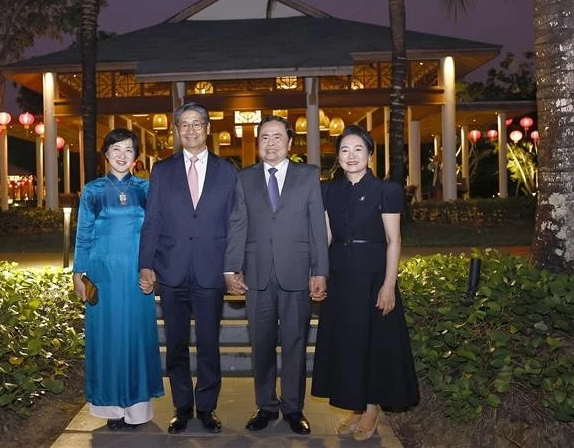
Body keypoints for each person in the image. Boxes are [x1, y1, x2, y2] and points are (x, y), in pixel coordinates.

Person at [311, 124, 419, 441]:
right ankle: (355, 406)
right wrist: (318, 271)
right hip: (340, 276)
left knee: (372, 344)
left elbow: (393, 239)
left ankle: (371, 409)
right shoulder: (328, 190)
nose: (351, 155)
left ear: (370, 155)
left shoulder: (387, 191)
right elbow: (328, 235)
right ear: (338, 157)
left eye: (358, 149)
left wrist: (388, 285)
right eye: (345, 150)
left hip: (373, 277)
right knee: (347, 344)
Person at [224, 115, 329, 436]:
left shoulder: (308, 175)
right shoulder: (244, 178)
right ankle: (266, 406)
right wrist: (231, 267)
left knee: (296, 341)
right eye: (264, 138)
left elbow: (316, 227)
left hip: (297, 272)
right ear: (257, 144)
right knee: (262, 343)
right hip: (257, 274)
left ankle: (294, 408)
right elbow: (238, 224)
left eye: (277, 137)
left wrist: (320, 271)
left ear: (289, 142)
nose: (270, 143)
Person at [138, 102, 236, 434]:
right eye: (184, 125)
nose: (191, 130)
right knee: (177, 343)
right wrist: (145, 265)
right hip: (172, 270)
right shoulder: (162, 170)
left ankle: (207, 408)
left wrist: (233, 266)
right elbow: (152, 221)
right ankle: (182, 407)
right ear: (177, 131)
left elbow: (234, 223)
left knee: (209, 342)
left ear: (207, 128)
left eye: (197, 124)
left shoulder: (227, 170)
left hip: (211, 270)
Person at [72, 128, 164, 431]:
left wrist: (152, 269)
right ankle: (111, 407)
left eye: (128, 150)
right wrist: (78, 273)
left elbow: (157, 233)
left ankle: (137, 409)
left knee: (137, 337)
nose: (122, 155)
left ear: (136, 157)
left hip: (137, 274)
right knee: (108, 338)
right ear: (106, 154)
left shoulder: (146, 189)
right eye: (116, 150)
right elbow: (84, 234)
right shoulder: (93, 190)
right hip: (104, 275)